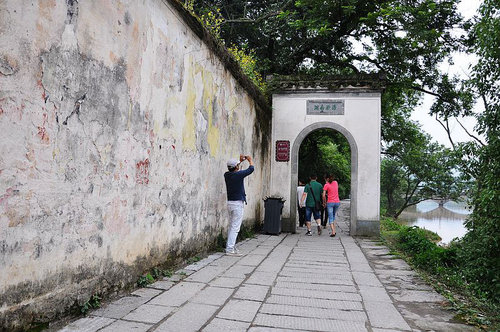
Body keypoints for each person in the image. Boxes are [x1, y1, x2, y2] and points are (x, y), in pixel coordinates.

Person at [224, 154, 254, 256]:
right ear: (236, 167)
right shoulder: (238, 175)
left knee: (232, 226)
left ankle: (230, 246)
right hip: (237, 204)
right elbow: (251, 169)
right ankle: (230, 249)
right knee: (235, 227)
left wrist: (240, 162)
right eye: (237, 165)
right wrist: (250, 161)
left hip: (230, 203)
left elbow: (235, 170)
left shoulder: (227, 175)